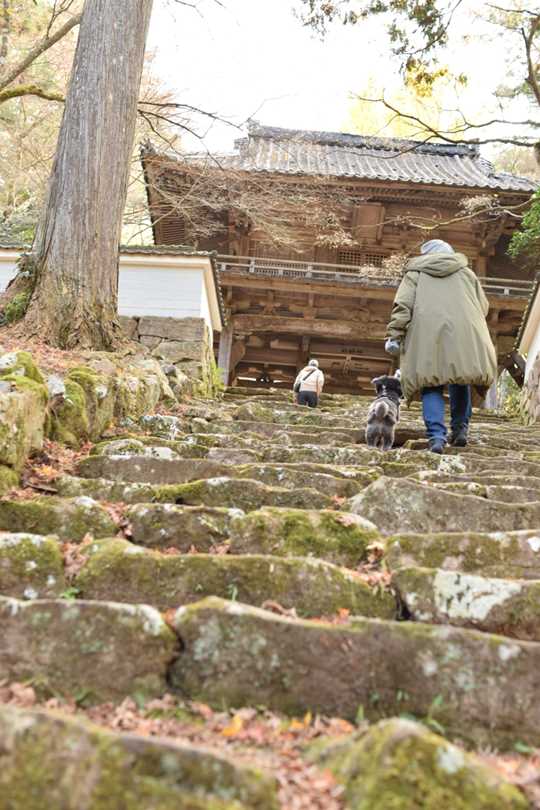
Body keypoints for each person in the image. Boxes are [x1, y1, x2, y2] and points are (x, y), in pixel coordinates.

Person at [385, 239, 497, 454]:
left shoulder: (415, 273)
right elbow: (483, 306)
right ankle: (460, 429)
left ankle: (436, 437)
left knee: (430, 384)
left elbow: (403, 305)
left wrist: (395, 335)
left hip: (426, 333)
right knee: (460, 378)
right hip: (463, 331)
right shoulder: (467, 274)